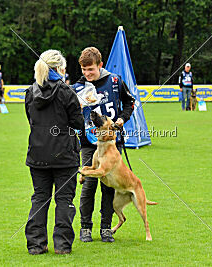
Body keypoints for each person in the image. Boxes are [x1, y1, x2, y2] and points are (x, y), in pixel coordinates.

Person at [72, 47, 135, 243]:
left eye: (90, 69)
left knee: (108, 186)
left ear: (100, 65)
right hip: (89, 142)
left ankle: (106, 228)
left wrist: (122, 119)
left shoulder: (115, 81)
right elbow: (70, 114)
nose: (87, 74)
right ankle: (85, 228)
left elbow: (130, 102)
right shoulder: (78, 87)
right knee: (89, 184)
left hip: (111, 142)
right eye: (83, 69)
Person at [24, 50, 84, 255]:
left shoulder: (30, 92)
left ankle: (36, 245)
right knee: (64, 200)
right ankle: (62, 246)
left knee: (40, 198)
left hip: (38, 153)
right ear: (60, 69)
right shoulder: (67, 92)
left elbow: (31, 120)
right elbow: (78, 124)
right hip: (65, 156)